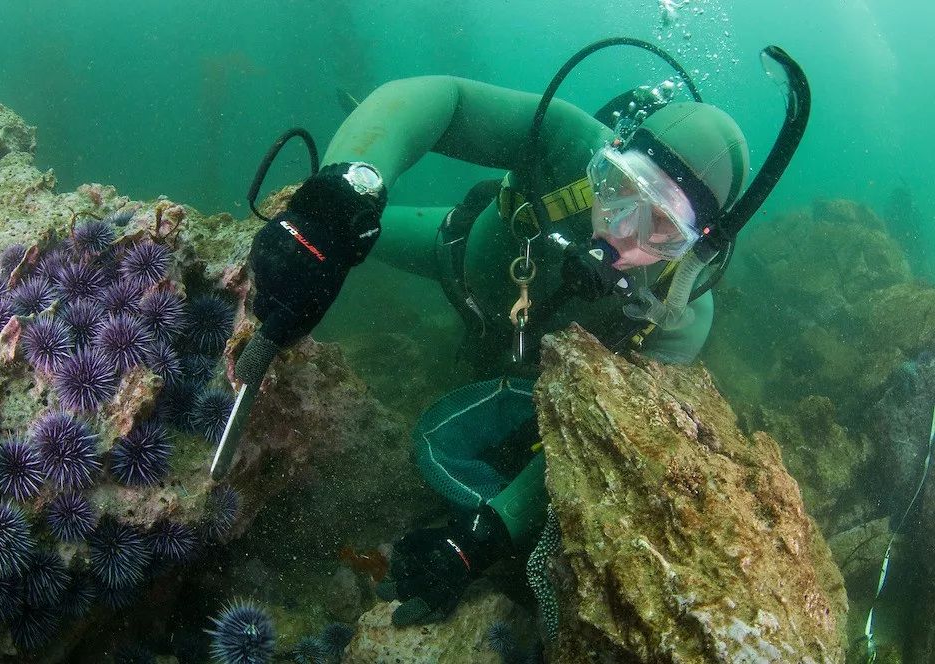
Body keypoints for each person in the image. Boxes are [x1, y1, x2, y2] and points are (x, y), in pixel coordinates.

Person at [236, 43, 808, 628]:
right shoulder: (566, 143)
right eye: (618, 190)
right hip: (457, 254)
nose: (622, 234)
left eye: (662, 227)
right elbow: (441, 99)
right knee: (356, 232)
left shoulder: (680, 313)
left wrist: (485, 535)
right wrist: (348, 186)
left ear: (698, 244)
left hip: (531, 376)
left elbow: (603, 434)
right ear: (605, 160)